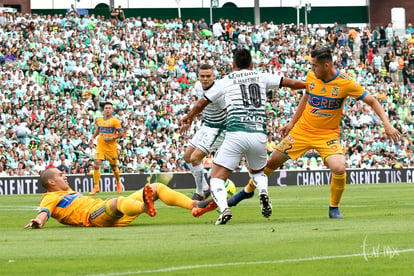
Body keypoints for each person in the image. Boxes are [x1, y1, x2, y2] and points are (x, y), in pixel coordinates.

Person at [228, 47, 402, 219]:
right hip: (302, 131)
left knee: (339, 167)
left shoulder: (345, 83)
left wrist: (387, 124)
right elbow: (306, 97)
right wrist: (292, 122)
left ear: (326, 65)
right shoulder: (312, 76)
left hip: (327, 135)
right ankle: (248, 190)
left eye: (314, 66)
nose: (311, 69)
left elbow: (372, 101)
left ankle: (334, 208)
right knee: (272, 161)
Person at [182, 48, 306, 224]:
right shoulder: (261, 76)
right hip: (258, 134)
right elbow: (291, 83)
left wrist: (189, 117)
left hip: (235, 133)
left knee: (216, 177)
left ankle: (224, 209)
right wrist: (310, 85)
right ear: (252, 64)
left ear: (233, 65)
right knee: (257, 172)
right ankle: (263, 192)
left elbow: (202, 102)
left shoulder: (226, 81)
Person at [24, 168, 208, 228]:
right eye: (60, 175)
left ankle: (194, 205)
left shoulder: (67, 191)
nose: (64, 176)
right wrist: (39, 222)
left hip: (112, 212)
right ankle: (145, 206)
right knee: (118, 201)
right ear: (51, 182)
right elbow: (45, 212)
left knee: (156, 187)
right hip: (94, 217)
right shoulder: (50, 196)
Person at [183, 64, 226, 201]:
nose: (205, 79)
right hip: (206, 125)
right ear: (198, 76)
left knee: (195, 158)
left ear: (214, 76)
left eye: (208, 76)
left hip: (219, 128)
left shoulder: (219, 91)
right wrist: (191, 119)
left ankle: (200, 192)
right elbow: (199, 106)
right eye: (202, 76)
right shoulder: (197, 86)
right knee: (187, 157)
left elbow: (228, 112)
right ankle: (206, 188)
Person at [89, 102, 124, 195]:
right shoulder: (99, 120)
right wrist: (92, 137)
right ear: (103, 110)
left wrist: (111, 138)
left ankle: (118, 183)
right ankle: (96, 186)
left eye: (109, 108)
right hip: (100, 146)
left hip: (111, 148)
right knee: (96, 164)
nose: (107, 109)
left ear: (112, 110)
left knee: (114, 167)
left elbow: (121, 133)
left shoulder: (115, 121)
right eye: (106, 108)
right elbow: (98, 130)